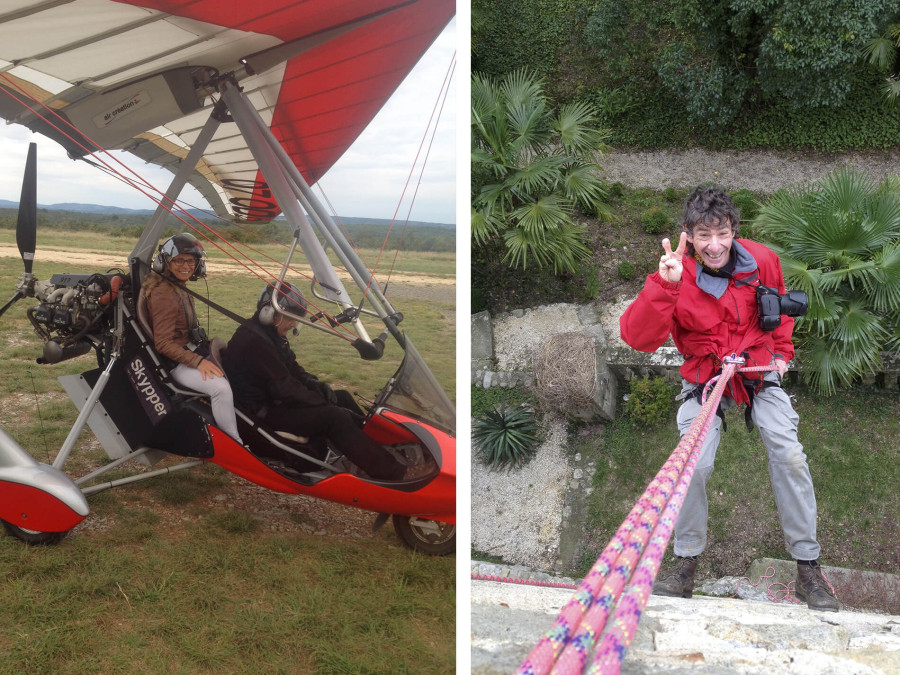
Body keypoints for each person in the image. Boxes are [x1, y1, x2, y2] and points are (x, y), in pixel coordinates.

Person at [619, 185, 838, 612]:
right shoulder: (675, 275)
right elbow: (637, 338)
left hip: (757, 370)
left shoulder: (763, 261)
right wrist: (664, 286)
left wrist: (780, 355)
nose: (714, 245)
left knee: (789, 454)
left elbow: (778, 311)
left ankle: (808, 568)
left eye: (722, 233)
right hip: (706, 376)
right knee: (691, 464)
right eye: (703, 235)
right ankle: (685, 565)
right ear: (688, 235)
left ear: (734, 230)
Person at [223, 282, 435, 481]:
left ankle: (378, 447)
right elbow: (284, 388)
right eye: (290, 318)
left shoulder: (270, 335)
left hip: (275, 402)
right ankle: (394, 472)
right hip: (264, 414)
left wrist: (316, 385)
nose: (294, 324)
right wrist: (318, 400)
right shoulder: (254, 341)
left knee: (341, 396)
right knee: (333, 416)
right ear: (269, 312)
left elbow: (293, 370)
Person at [141, 232, 243, 445]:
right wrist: (198, 362)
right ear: (165, 262)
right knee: (220, 389)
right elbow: (163, 343)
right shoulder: (164, 294)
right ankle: (235, 443)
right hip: (177, 364)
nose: (186, 266)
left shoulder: (176, 286)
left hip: (193, 351)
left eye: (191, 261)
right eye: (179, 260)